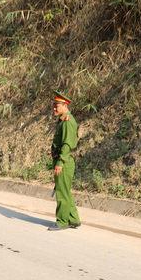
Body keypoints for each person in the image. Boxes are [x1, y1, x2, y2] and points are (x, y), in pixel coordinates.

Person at [49, 91, 81, 231]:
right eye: (54, 105)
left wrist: (60, 163)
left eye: (57, 106)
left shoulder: (68, 122)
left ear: (65, 106)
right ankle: (74, 219)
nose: (54, 108)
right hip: (65, 160)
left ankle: (62, 221)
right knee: (65, 191)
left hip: (64, 161)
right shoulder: (63, 120)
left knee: (62, 193)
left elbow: (67, 144)